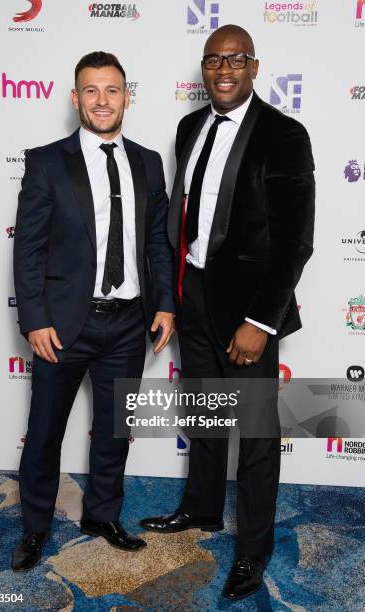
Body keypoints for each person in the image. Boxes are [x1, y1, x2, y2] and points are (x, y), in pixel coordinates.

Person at [140, 25, 315, 600]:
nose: (223, 70)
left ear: (254, 67)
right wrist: (173, 298)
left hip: (248, 312)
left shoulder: (285, 135)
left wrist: (261, 321)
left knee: (258, 436)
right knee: (207, 420)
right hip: (195, 299)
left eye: (235, 60)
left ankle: (253, 550)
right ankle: (200, 510)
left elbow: (295, 242)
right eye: (214, 60)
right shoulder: (189, 128)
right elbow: (182, 220)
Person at [12, 51, 175, 571]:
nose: (102, 101)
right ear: (75, 97)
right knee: (43, 434)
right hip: (61, 326)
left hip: (129, 322)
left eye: (112, 90)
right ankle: (35, 528)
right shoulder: (47, 161)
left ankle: (102, 516)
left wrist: (166, 305)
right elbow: (28, 248)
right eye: (91, 90)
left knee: (113, 431)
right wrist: (35, 317)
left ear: (128, 96)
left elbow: (157, 241)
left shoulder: (148, 162)